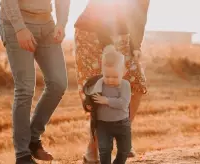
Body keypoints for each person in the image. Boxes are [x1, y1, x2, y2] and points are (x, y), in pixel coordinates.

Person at [74, 0, 150, 163]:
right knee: (97, 89)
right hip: (91, 32)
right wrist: (107, 43)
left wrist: (136, 45)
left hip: (122, 35)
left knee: (136, 83)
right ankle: (92, 150)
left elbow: (140, 14)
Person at [0, 0, 70, 163]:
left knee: (58, 83)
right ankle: (22, 155)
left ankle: (32, 138)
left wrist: (61, 23)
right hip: (17, 23)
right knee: (25, 88)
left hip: (47, 24)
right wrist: (19, 27)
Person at [82, 50, 132, 164]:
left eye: (115, 77)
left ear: (123, 72)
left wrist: (106, 100)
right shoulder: (97, 84)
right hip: (103, 124)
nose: (110, 79)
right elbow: (89, 100)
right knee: (104, 150)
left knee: (125, 149)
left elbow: (124, 103)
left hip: (122, 124)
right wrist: (88, 106)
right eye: (107, 76)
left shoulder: (125, 85)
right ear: (102, 72)